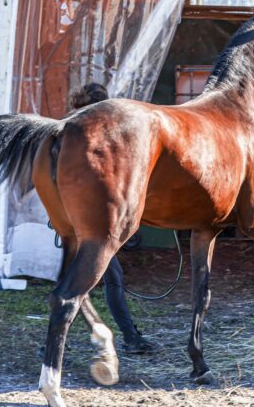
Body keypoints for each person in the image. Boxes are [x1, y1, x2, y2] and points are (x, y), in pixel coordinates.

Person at [68, 82, 155, 354]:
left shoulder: (71, 135)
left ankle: (128, 336)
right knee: (99, 280)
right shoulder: (88, 140)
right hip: (86, 222)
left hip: (77, 221)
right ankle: (130, 337)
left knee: (91, 280)